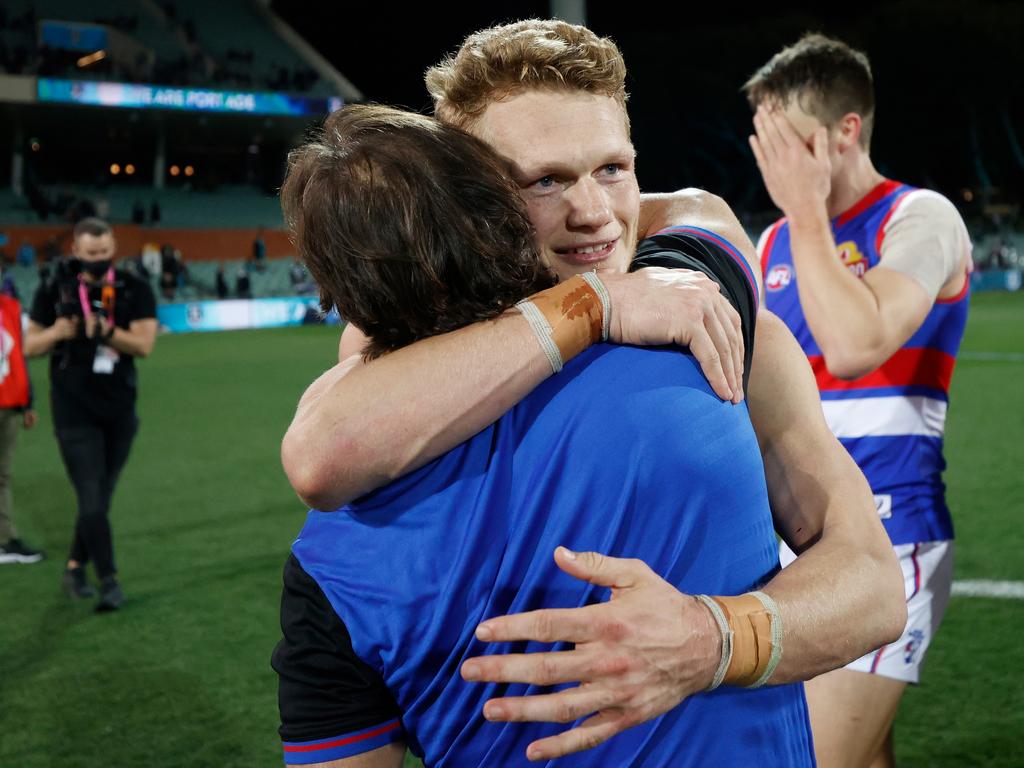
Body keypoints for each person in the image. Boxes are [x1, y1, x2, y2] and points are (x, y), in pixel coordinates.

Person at [280, 20, 904, 763]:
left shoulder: (704, 316)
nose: (596, 213)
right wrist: (589, 306)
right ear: (467, 198)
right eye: (543, 180)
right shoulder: (398, 387)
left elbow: (874, 585)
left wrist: (712, 639)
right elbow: (321, 448)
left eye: (613, 168)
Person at [744, 34, 971, 768]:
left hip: (890, 535)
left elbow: (855, 343)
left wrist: (809, 214)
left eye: (793, 144)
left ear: (847, 131)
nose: (777, 165)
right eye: (765, 144)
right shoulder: (773, 241)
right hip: (798, 539)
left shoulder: (921, 218)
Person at [25, 217, 157, 611]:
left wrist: (106, 333)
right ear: (76, 250)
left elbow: (145, 345)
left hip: (119, 411)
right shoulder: (53, 287)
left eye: (104, 252)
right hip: (73, 411)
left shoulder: (133, 287)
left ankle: (73, 567)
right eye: (90, 253)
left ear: (112, 246)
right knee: (92, 498)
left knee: (98, 498)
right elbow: (30, 345)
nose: (98, 259)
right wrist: (58, 333)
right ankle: (110, 581)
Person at [0, 277, 43, 564]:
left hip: (10, 403)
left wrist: (28, 401)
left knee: (1, 474)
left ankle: (5, 540)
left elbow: (20, 357)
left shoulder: (11, 307)